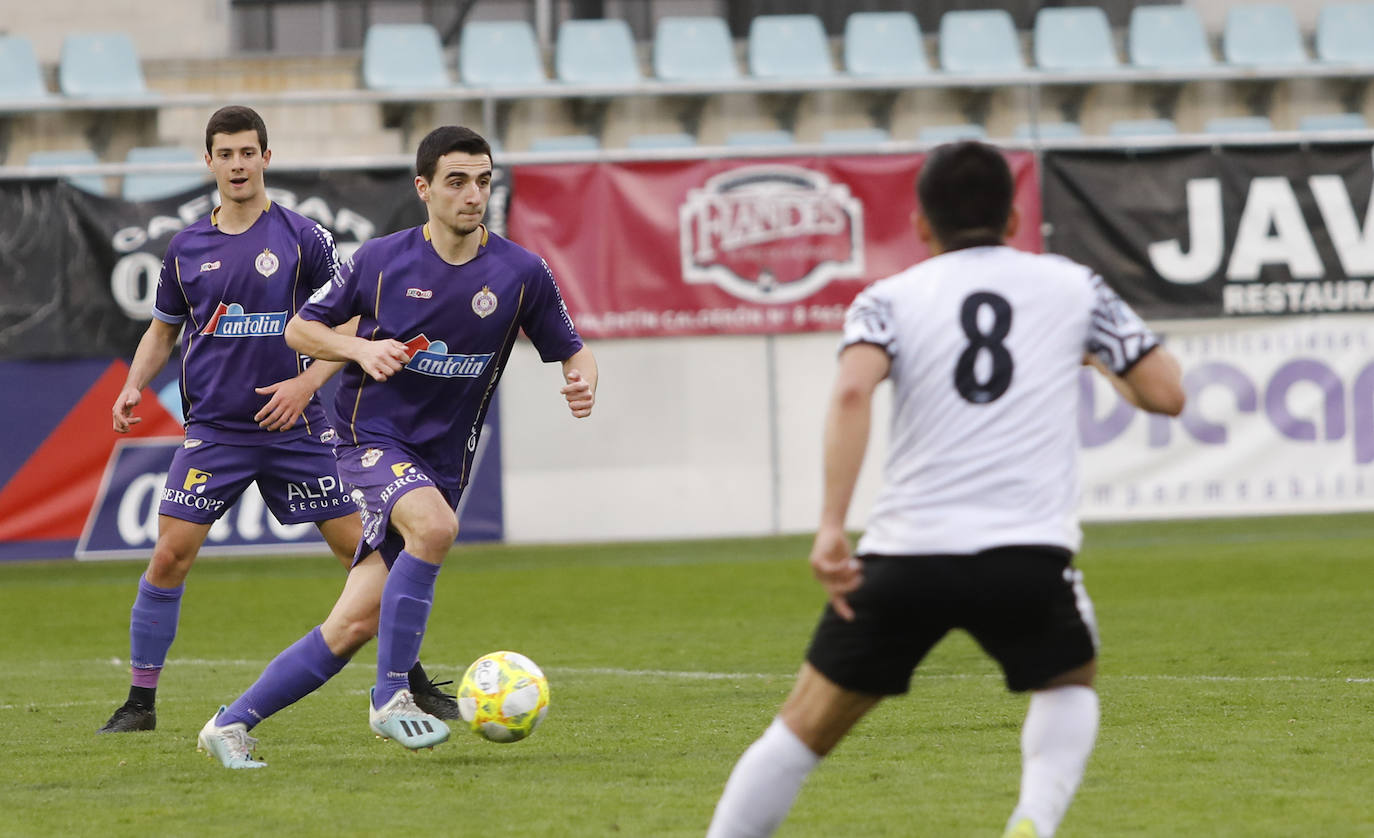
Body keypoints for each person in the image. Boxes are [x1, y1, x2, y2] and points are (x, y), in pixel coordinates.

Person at [705, 141, 1186, 838]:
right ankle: (1033, 821)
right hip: (1026, 556)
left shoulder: (888, 298)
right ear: (1016, 216)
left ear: (922, 223)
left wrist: (832, 525)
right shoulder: (1074, 287)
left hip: (906, 556)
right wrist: (1091, 356)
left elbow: (849, 393)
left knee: (802, 731)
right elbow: (1167, 393)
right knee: (1069, 679)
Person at [195, 124, 597, 769]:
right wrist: (359, 347)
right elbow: (302, 329)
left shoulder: (521, 273)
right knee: (435, 529)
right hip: (369, 438)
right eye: (458, 181)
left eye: (484, 181)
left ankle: (230, 723)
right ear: (424, 188)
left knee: (352, 625)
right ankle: (391, 698)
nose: (474, 194)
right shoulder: (380, 260)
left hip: (442, 460)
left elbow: (572, 350)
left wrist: (582, 381)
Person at [98, 105, 457, 735]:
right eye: (226, 153)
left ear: (267, 157)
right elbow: (162, 330)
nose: (238, 164)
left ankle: (411, 681)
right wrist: (133, 385)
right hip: (214, 433)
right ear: (208, 162)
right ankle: (140, 703)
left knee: (365, 559)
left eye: (248, 152)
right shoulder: (186, 248)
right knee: (168, 558)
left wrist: (305, 382)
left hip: (300, 431)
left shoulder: (303, 236)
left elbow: (345, 323)